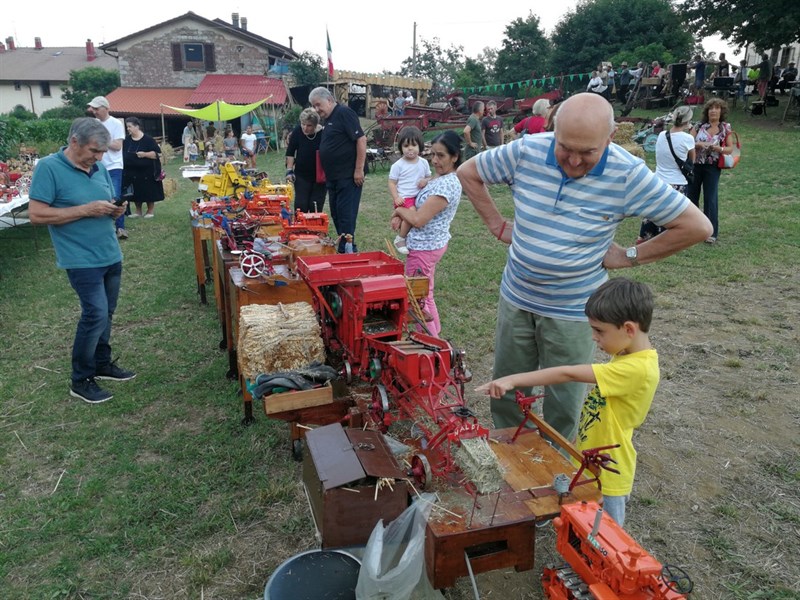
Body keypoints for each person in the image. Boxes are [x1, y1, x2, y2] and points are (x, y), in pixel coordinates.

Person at [457, 92, 712, 440]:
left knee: (565, 401)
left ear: (609, 139)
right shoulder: (525, 151)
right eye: (566, 148)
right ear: (552, 130)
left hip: (573, 311)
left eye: (588, 152)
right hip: (516, 297)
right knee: (508, 393)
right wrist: (496, 224)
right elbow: (469, 171)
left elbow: (697, 226)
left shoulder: (627, 173)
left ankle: (556, 468)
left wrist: (629, 256)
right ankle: (510, 458)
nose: (574, 161)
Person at [477, 277, 659, 526]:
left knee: (607, 536)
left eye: (599, 331)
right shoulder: (627, 354)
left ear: (629, 329)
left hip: (610, 473)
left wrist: (513, 380)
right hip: (588, 456)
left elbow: (568, 373)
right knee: (582, 523)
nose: (594, 337)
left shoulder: (637, 369)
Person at [27, 117, 135, 404]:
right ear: (74, 142)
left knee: (107, 313)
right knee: (95, 314)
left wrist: (113, 209)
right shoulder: (49, 168)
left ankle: (101, 363)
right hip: (80, 258)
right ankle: (80, 379)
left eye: (101, 152)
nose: (98, 158)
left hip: (110, 253)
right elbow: (36, 215)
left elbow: (100, 201)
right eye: (93, 151)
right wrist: (86, 209)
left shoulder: (96, 166)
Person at [392, 130, 462, 337]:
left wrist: (398, 211)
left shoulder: (447, 185)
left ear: (455, 157)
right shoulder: (442, 179)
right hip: (429, 245)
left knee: (416, 300)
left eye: (441, 156)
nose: (434, 160)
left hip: (425, 248)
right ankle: (435, 335)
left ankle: (429, 342)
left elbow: (418, 219)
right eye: (433, 155)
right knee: (426, 294)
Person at [310, 86, 367, 253]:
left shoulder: (344, 113)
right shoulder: (328, 120)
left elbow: (361, 140)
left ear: (329, 100)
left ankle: (349, 249)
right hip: (333, 178)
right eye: (314, 106)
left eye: (318, 104)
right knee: (336, 214)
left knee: (346, 216)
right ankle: (344, 247)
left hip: (348, 176)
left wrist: (358, 169)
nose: (316, 109)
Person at [637, 106, 696, 242]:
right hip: (677, 181)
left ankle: (645, 235)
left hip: (659, 178)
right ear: (688, 122)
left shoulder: (662, 135)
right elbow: (691, 160)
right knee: (674, 214)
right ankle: (668, 239)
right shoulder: (688, 139)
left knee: (653, 210)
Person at [686, 98, 734, 245]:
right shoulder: (699, 125)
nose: (713, 111)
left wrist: (719, 149)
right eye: (711, 108)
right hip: (696, 164)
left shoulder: (725, 127)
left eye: (717, 108)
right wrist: (699, 144)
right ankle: (691, 229)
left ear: (721, 111)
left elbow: (730, 148)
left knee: (710, 198)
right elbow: (687, 142)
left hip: (713, 167)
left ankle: (711, 232)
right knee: (692, 196)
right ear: (707, 111)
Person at [87, 96, 127, 240]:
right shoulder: (93, 125)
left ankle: (120, 227)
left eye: (97, 109)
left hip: (114, 166)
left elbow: (117, 146)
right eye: (93, 109)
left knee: (115, 196)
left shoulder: (116, 123)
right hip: (96, 165)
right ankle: (103, 227)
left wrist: (102, 139)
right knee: (97, 195)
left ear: (106, 108)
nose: (94, 111)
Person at [388, 126, 431, 254]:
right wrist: (396, 197)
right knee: (412, 215)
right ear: (401, 147)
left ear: (420, 146)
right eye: (406, 146)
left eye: (414, 145)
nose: (410, 148)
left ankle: (399, 218)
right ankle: (400, 238)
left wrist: (425, 181)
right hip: (404, 198)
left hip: (418, 197)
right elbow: (391, 182)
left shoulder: (423, 163)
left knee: (416, 216)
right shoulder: (398, 165)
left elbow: (429, 177)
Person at [285, 108, 327, 213]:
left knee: (315, 205)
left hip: (319, 177)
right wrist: (289, 170)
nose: (305, 128)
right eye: (303, 124)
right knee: (301, 205)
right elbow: (290, 152)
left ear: (315, 124)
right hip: (301, 175)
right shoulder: (297, 131)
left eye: (309, 125)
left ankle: (315, 227)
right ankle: (300, 228)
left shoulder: (324, 133)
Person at [122, 117, 164, 219]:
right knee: (136, 191)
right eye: (127, 127)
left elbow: (158, 154)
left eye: (130, 126)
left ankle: (150, 211)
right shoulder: (126, 140)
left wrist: (145, 154)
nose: (128, 129)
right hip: (132, 172)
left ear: (137, 126)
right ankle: (138, 211)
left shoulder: (148, 139)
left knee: (149, 190)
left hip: (147, 172)